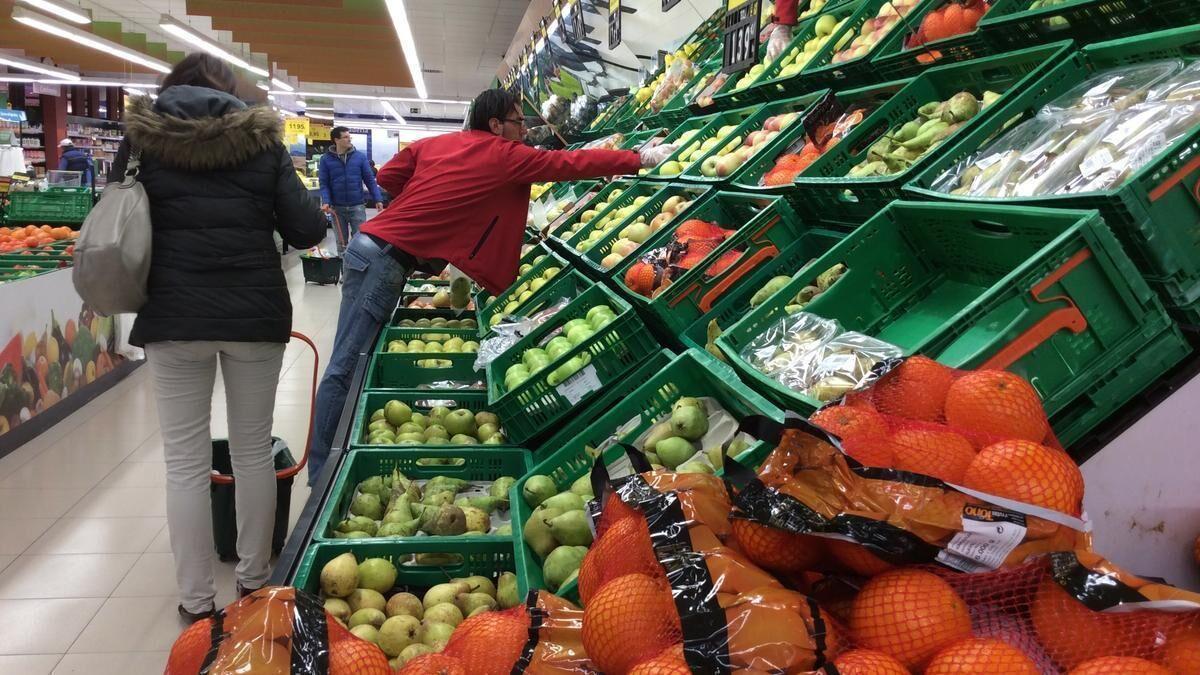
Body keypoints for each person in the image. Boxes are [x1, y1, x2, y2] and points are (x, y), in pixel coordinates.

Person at [305, 88, 676, 484]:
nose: (525, 131)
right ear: (496, 125)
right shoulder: (504, 154)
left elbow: (390, 176)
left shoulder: (439, 143)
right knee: (344, 367)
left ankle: (322, 466)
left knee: (347, 362)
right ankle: (319, 476)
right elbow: (568, 162)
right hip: (383, 260)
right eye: (519, 122)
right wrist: (640, 158)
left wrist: (435, 194)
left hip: (369, 248)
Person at [109, 53, 326, 623]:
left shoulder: (142, 143)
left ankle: (196, 603)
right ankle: (254, 586)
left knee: (184, 461)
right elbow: (306, 230)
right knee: (252, 450)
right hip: (253, 316)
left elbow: (112, 215)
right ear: (229, 91)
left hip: (173, 316)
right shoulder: (262, 142)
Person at [319, 126, 383, 249]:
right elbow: (324, 183)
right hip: (336, 208)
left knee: (360, 242)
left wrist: (378, 199)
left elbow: (369, 180)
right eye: (346, 137)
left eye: (350, 137)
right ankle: (344, 268)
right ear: (336, 140)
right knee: (341, 243)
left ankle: (357, 268)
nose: (349, 140)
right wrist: (326, 201)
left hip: (357, 206)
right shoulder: (326, 160)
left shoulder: (360, 157)